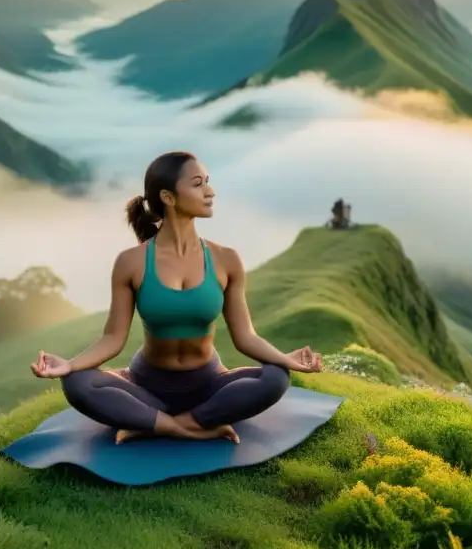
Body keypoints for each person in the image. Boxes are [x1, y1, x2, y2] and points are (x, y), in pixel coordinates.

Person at [30, 151, 323, 445]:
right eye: (198, 184)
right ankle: (194, 425)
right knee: (77, 383)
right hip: (146, 387)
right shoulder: (131, 262)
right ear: (168, 198)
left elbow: (245, 336)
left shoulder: (226, 259)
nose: (210, 192)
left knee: (276, 377)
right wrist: (69, 365)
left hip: (209, 385)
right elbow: (112, 338)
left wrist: (284, 358)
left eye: (207, 182)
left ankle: (152, 423)